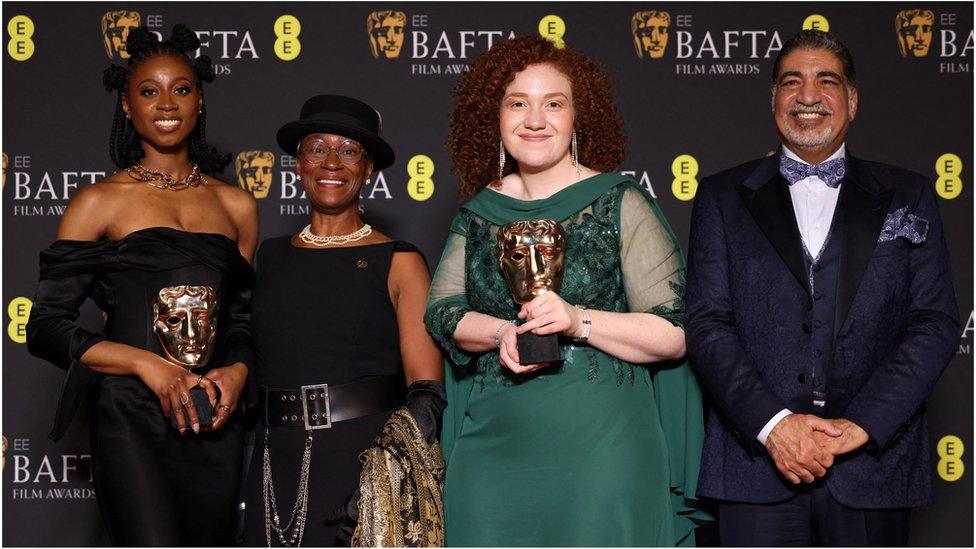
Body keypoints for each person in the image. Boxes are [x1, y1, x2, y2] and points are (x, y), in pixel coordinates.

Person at [425, 36, 709, 546]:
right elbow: (444, 312)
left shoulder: (618, 202)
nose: (535, 120)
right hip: (493, 449)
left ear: (579, 118)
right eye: (518, 103)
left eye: (553, 104)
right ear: (494, 117)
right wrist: (501, 334)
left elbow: (674, 332)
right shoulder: (476, 214)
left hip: (603, 451)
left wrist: (578, 320)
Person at [685, 30, 959, 546]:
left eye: (825, 81)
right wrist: (774, 426)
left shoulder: (910, 193)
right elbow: (706, 323)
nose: (808, 96)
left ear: (852, 101)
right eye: (792, 82)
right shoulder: (721, 197)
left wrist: (861, 425)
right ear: (773, 100)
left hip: (873, 472)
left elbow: (934, 322)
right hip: (755, 469)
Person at [25, 25, 258, 545]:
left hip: (214, 416)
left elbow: (241, 318)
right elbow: (44, 327)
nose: (166, 103)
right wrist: (147, 366)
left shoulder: (236, 205)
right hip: (131, 414)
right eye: (149, 91)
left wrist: (238, 371)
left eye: (181, 88)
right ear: (127, 107)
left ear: (200, 99)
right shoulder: (99, 202)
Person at [241, 95, 446, 547]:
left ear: (368, 168)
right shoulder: (269, 257)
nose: (331, 162)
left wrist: (384, 477)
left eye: (349, 151)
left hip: (360, 457)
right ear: (298, 164)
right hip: (275, 459)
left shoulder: (399, 260)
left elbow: (426, 392)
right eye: (317, 148)